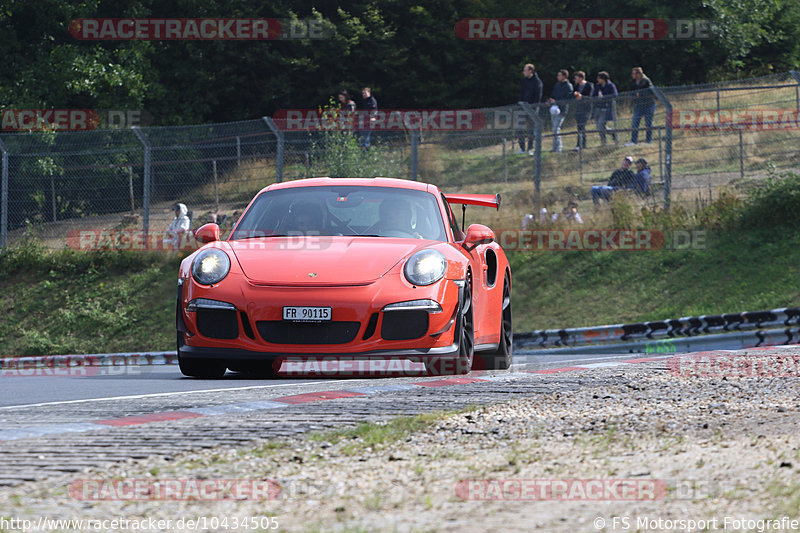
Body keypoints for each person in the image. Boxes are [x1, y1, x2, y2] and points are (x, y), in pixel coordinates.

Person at [626, 67, 656, 146]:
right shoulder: (632, 82)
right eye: (632, 73)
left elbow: (651, 92)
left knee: (648, 123)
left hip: (649, 105)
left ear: (638, 74)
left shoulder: (646, 81)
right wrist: (635, 96)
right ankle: (633, 141)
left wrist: (641, 94)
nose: (632, 75)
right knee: (635, 123)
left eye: (634, 73)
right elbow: (631, 92)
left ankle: (648, 141)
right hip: (638, 106)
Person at [517, 63, 543, 155]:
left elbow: (538, 96)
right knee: (519, 128)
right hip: (523, 107)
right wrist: (520, 103)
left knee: (531, 129)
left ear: (530, 71)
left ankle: (530, 148)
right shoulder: (523, 81)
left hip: (532, 108)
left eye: (525, 70)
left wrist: (534, 107)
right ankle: (522, 148)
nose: (523, 72)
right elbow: (521, 93)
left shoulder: (537, 81)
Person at [546, 69, 573, 153]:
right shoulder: (557, 85)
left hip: (561, 110)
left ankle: (559, 148)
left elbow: (567, 99)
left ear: (564, 76)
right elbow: (554, 95)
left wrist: (557, 102)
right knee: (554, 128)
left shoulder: (568, 86)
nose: (558, 77)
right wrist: (550, 101)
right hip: (554, 109)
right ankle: (554, 148)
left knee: (556, 128)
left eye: (559, 75)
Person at [592, 71, 618, 145]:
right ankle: (611, 133)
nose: (597, 80)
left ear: (603, 79)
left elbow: (615, 95)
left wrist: (604, 97)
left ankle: (604, 142)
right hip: (598, 107)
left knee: (600, 124)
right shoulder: (597, 86)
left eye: (599, 78)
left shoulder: (610, 85)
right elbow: (593, 95)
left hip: (606, 108)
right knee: (599, 126)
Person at [572, 71, 594, 151]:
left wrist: (582, 97)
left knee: (582, 126)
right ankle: (581, 144)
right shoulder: (576, 86)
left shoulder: (589, 85)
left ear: (581, 78)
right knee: (579, 126)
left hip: (586, 109)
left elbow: (590, 97)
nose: (575, 79)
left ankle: (581, 144)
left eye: (576, 78)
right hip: (579, 108)